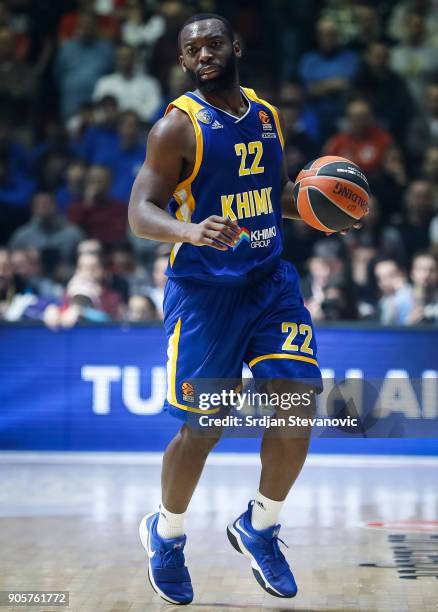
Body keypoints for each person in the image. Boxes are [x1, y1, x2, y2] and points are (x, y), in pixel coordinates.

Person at [128, 13, 362, 604]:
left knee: (297, 402)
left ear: (235, 46)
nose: (204, 53)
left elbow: (271, 196)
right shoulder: (175, 130)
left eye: (213, 43)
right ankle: (167, 532)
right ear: (183, 62)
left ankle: (260, 525)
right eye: (193, 48)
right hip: (205, 294)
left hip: (268, 283)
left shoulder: (264, 115)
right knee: (205, 425)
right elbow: (140, 211)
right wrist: (189, 230)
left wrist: (316, 208)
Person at [93, 44, 162, 123]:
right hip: (110, 129)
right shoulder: (104, 83)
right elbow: (97, 110)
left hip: (141, 128)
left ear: (135, 59)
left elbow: (154, 109)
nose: (124, 61)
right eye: (121, 58)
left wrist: (132, 117)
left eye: (127, 57)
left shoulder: (149, 83)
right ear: (116, 60)